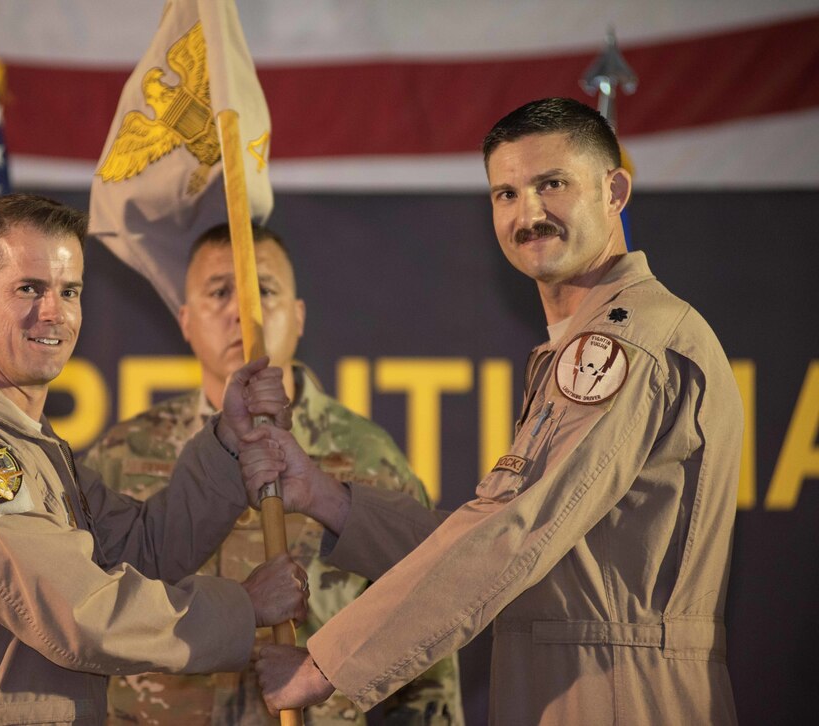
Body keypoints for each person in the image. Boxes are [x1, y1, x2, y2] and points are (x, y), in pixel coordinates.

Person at [244, 98, 743, 725]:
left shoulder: (623, 342)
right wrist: (323, 496)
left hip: (621, 698)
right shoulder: (588, 341)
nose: (528, 213)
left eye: (552, 184)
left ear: (614, 191)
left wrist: (326, 666)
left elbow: (512, 532)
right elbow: (517, 559)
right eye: (505, 194)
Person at [0, 194, 310, 725]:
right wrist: (244, 606)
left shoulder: (29, 445)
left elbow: (144, 547)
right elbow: (79, 615)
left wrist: (228, 441)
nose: (53, 311)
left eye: (69, 290)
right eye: (29, 288)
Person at [81, 223, 463, 725]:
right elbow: (86, 621)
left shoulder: (368, 459)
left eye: (264, 290)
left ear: (299, 316)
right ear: (186, 321)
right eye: (220, 293)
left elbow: (426, 654)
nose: (244, 311)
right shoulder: (119, 454)